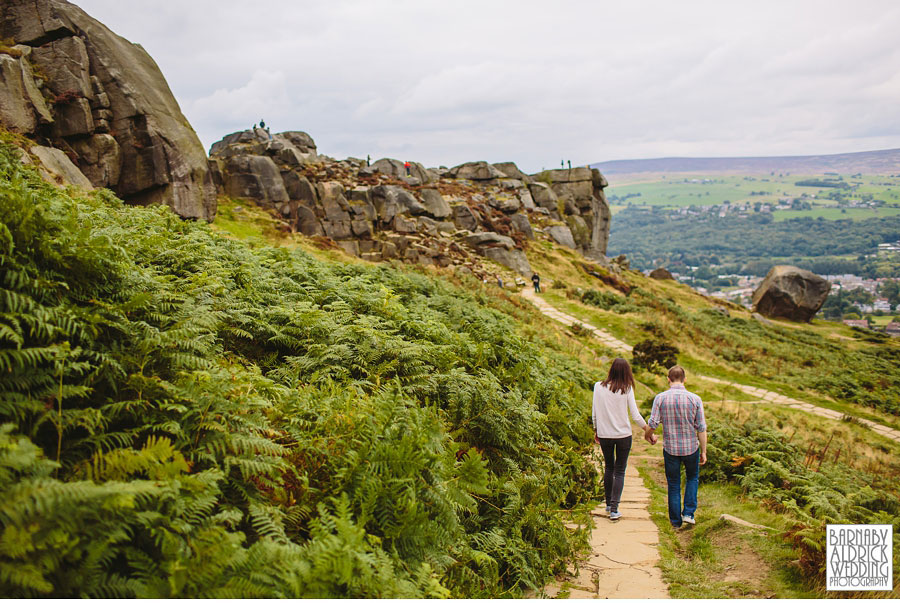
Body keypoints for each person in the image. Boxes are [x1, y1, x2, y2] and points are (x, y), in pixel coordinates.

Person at [644, 365, 707, 528]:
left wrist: (647, 435)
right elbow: (701, 428)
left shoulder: (660, 398)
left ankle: (675, 522)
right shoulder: (695, 399)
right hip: (691, 447)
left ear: (668, 379)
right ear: (685, 379)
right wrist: (704, 451)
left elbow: (653, 423)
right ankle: (688, 513)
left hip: (670, 448)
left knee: (673, 483)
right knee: (692, 478)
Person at [592, 358, 648, 521]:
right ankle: (615, 509)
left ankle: (609, 504)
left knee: (609, 467)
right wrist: (648, 430)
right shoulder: (627, 388)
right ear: (626, 373)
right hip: (623, 435)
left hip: (605, 435)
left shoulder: (598, 387)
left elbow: (594, 413)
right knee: (620, 470)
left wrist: (596, 430)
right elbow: (635, 415)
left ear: (611, 370)